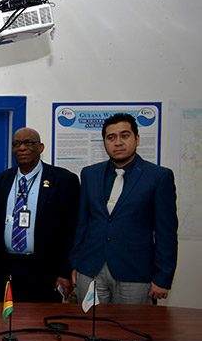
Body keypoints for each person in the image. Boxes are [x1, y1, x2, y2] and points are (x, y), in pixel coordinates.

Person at [71, 113, 178, 305]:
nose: (118, 142)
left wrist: (162, 277)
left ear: (137, 139)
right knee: (91, 328)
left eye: (124, 135)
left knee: (130, 331)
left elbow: (166, 232)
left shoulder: (158, 177)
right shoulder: (89, 174)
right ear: (104, 143)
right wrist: (75, 263)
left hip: (135, 271)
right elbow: (82, 222)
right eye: (111, 137)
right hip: (90, 267)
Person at [0, 128, 80, 302]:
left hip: (46, 269)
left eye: (28, 143)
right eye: (16, 144)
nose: (22, 148)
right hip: (7, 268)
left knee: (42, 324)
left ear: (41, 147)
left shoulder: (63, 180)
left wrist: (65, 271)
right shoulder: (1, 180)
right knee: (7, 322)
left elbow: (71, 231)